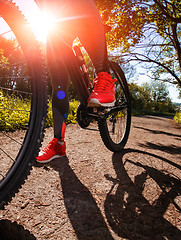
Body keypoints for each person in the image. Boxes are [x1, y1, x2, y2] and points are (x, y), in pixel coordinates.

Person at [35, 0, 116, 163]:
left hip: (77, 10)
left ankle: (104, 76)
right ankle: (58, 143)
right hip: (57, 17)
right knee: (58, 84)